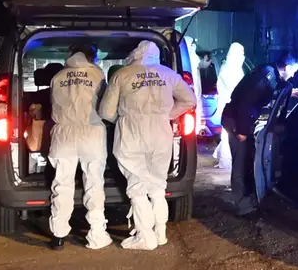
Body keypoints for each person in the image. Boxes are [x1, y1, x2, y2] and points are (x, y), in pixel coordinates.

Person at [99, 41, 197, 250]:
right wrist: (166, 116)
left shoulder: (122, 75)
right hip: (161, 134)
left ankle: (145, 236)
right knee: (158, 186)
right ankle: (160, 233)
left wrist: (124, 120)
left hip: (132, 134)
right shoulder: (169, 74)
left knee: (137, 187)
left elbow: (106, 112)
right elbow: (189, 100)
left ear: (136, 53)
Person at [221, 51, 298, 215]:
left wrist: (287, 92)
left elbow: (266, 92)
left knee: (248, 159)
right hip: (236, 120)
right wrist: (242, 131)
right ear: (286, 67)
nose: (294, 74)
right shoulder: (266, 76)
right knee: (241, 162)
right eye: (294, 70)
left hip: (241, 120)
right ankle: (241, 204)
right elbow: (245, 103)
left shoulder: (270, 74)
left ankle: (248, 199)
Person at [47, 44, 111, 250]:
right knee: (94, 184)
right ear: (91, 56)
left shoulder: (58, 77)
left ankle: (58, 235)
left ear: (71, 54)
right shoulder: (97, 74)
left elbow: (53, 104)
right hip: (91, 132)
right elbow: (106, 105)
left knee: (62, 184)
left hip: (64, 134)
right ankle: (96, 234)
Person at [213, 43, 247, 168]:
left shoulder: (236, 68)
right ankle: (225, 161)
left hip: (234, 107)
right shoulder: (228, 70)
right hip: (228, 108)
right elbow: (236, 89)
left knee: (229, 135)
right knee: (228, 135)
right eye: (241, 53)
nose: (243, 56)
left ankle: (226, 159)